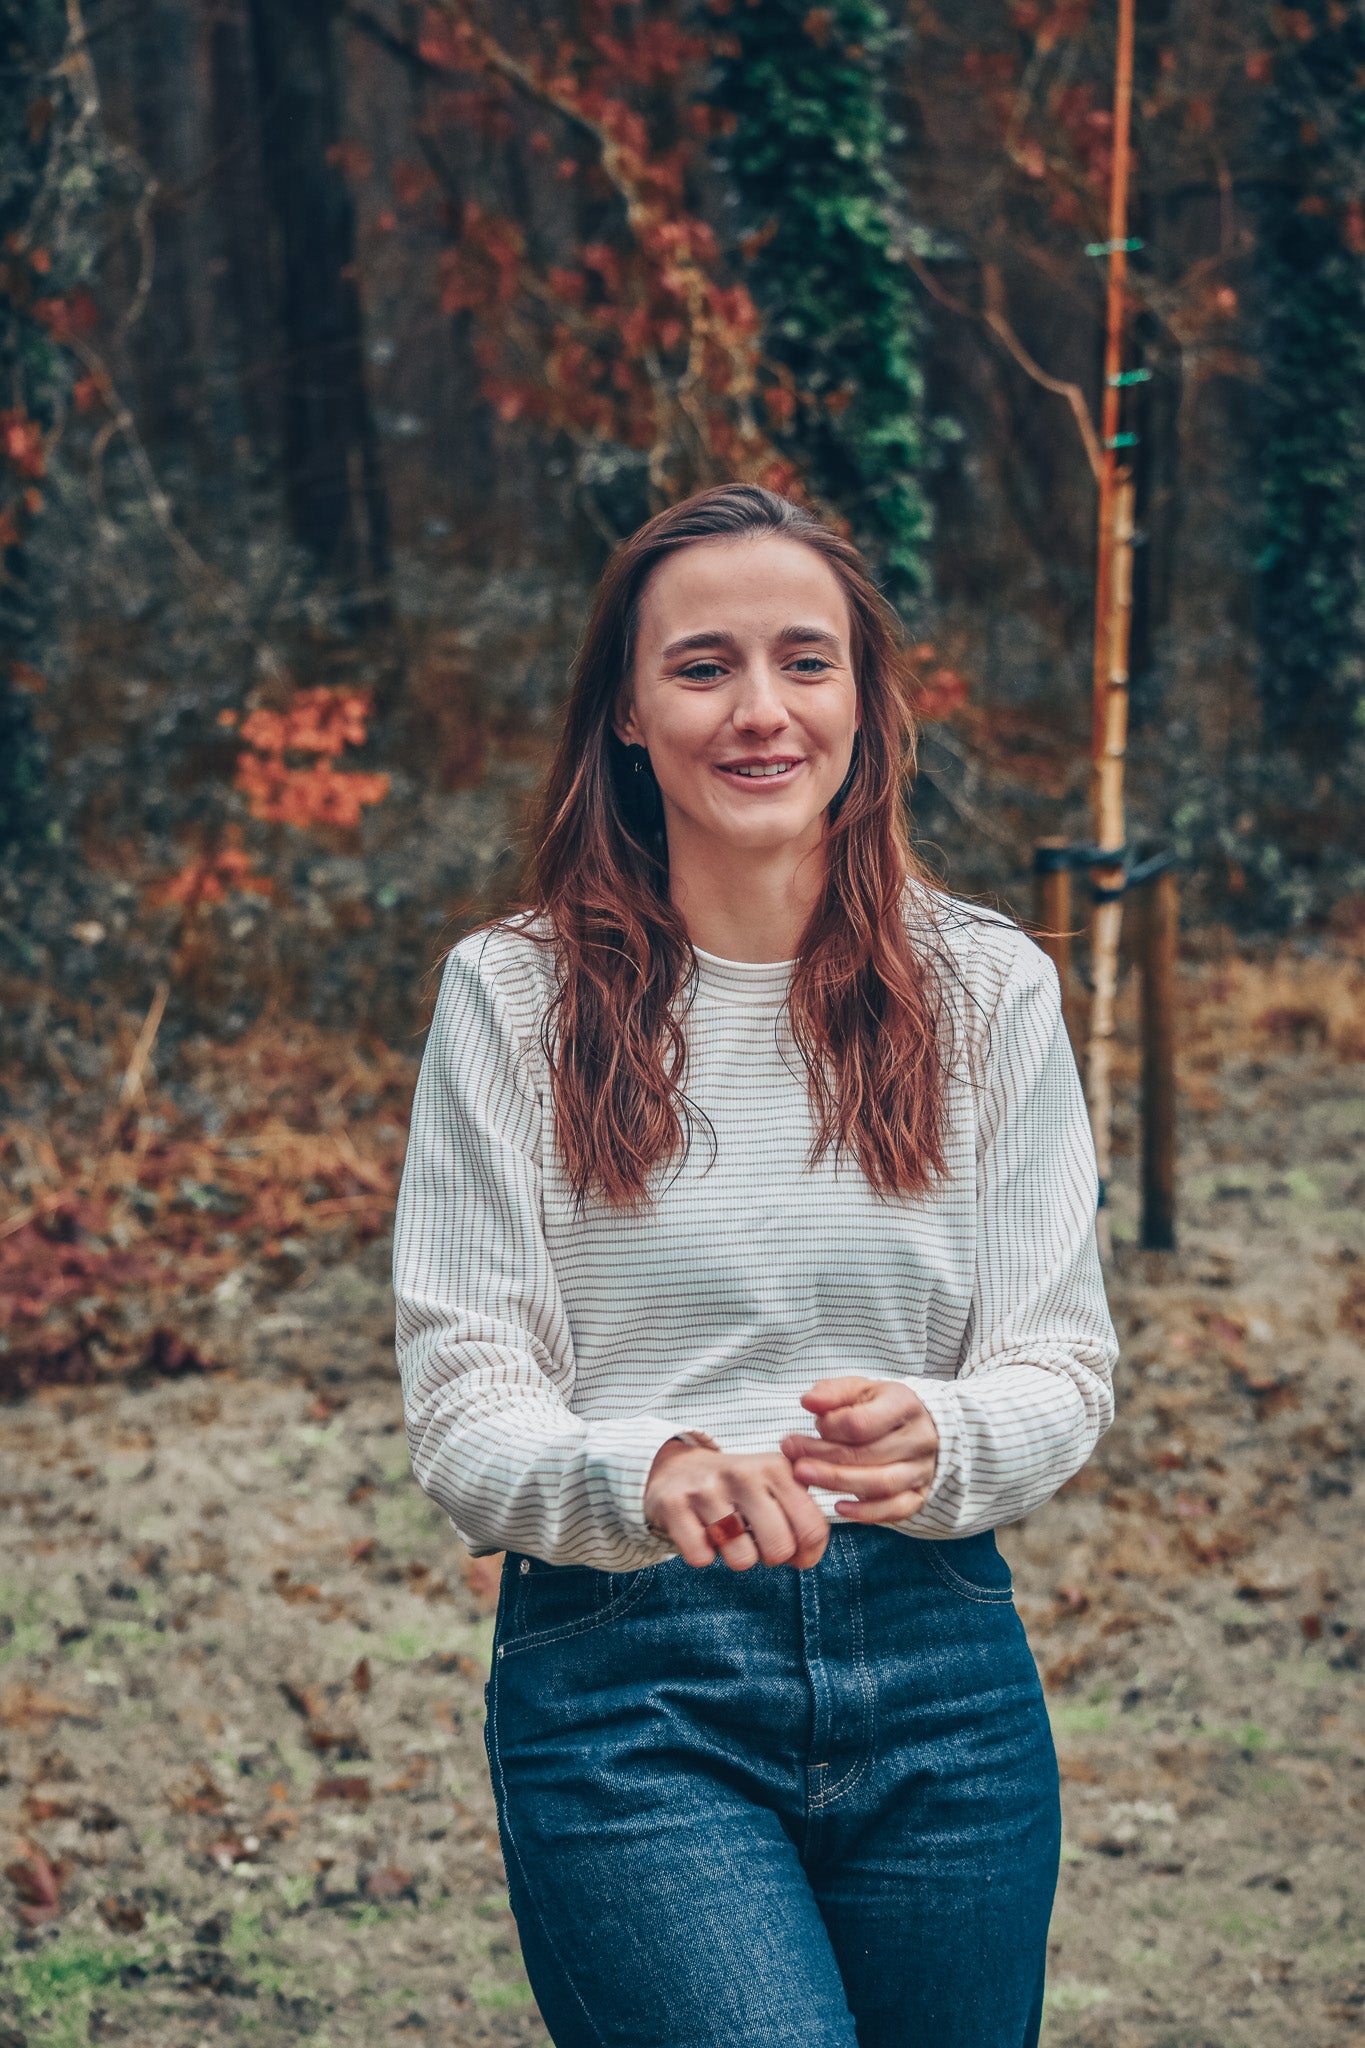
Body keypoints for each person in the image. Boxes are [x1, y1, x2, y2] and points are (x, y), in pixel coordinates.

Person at [391, 483, 1119, 2048]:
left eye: (805, 660)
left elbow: (1059, 1369)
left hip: (944, 1670)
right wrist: (648, 1466)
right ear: (629, 718)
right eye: (702, 666)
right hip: (627, 1685)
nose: (760, 710)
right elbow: (463, 1410)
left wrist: (950, 1437)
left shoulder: (986, 987)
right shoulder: (510, 998)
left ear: (861, 702)